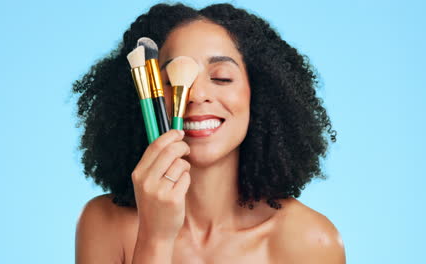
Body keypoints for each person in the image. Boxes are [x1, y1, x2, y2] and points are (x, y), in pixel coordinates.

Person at [73, 3, 345, 263]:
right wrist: (155, 238)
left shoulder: (311, 241)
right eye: (171, 81)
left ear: (259, 94)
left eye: (222, 78)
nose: (197, 95)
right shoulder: (104, 223)